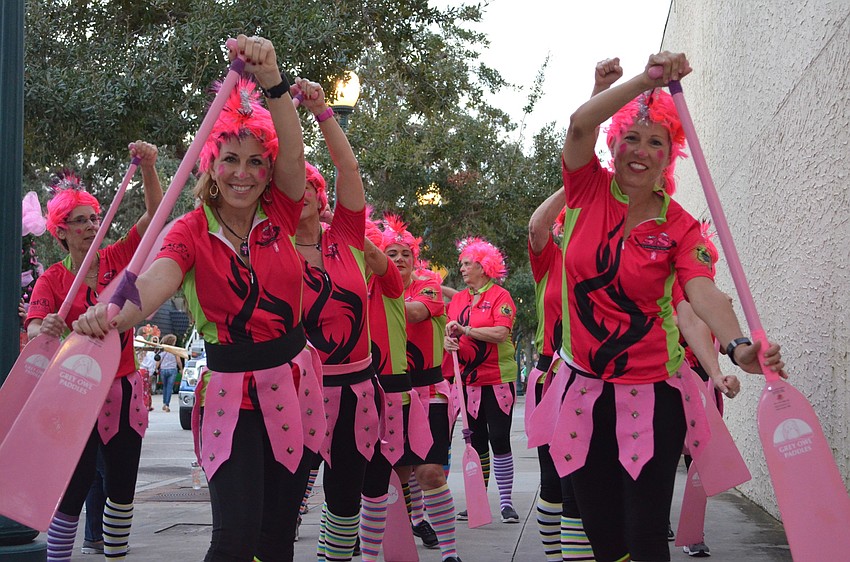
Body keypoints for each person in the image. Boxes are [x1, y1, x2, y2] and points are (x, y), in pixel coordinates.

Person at [74, 35, 321, 562]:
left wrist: (274, 76)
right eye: (231, 158)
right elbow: (155, 279)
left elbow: (295, 153)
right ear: (210, 164)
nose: (243, 173)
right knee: (233, 539)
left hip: (294, 388)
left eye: (257, 162)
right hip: (230, 395)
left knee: (277, 541)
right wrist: (114, 313)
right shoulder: (188, 230)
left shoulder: (280, 212)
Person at [532, 51, 785, 562]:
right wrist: (645, 82)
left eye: (656, 141)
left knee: (645, 535)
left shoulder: (680, 226)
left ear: (670, 156)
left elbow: (702, 293)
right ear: (615, 144)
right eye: (632, 137)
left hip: (654, 397)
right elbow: (581, 123)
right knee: (601, 536)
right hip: (582, 393)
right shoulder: (586, 191)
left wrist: (737, 347)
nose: (641, 150)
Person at [26, 141, 162, 561]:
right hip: (72, 393)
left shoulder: (118, 257)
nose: (90, 225)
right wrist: (44, 327)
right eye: (80, 221)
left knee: (122, 489)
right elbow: (35, 329)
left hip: (122, 393)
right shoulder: (51, 279)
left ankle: (115, 556)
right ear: (60, 230)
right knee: (73, 488)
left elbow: (156, 215)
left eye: (94, 218)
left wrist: (150, 169)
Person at [526, 57, 623, 562]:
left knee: (585, 480)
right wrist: (576, 184)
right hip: (553, 374)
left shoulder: (612, 253)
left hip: (609, 375)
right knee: (554, 478)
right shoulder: (552, 260)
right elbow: (538, 224)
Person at [292, 79, 379, 561]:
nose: (301, 191)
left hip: (355, 390)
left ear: (321, 196)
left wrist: (323, 113)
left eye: (310, 184)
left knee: (344, 500)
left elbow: (349, 168)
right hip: (295, 391)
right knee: (284, 500)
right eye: (292, 185)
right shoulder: (271, 246)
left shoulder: (345, 235)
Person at [384, 216, 462, 562]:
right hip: (388, 394)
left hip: (430, 393)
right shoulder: (372, 286)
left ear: (415, 261)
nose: (400, 259)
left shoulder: (428, 285)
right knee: (397, 477)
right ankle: (398, 538)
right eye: (392, 253)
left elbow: (414, 313)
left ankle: (450, 552)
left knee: (430, 472)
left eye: (406, 254)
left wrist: (375, 301)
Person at [443, 237, 519, 524]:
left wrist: (466, 330)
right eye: (461, 263)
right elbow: (450, 334)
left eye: (466, 263)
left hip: (498, 380)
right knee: (476, 442)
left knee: (499, 439)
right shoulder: (460, 299)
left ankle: (507, 503)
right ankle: (478, 499)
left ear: (483, 266)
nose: (461, 268)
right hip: (468, 383)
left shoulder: (501, 297)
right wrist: (448, 341)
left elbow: (500, 333)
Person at [155, 333, 183, 412]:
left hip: (163, 369)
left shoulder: (162, 349)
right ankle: (167, 404)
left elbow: (158, 360)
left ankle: (164, 403)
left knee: (165, 387)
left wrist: (156, 368)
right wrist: (181, 368)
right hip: (172, 370)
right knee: (170, 387)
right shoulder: (174, 350)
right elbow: (178, 361)